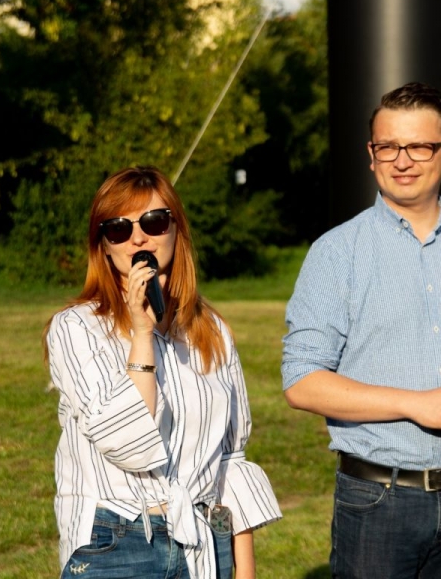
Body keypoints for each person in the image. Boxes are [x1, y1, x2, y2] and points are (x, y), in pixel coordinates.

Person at [281, 82, 441, 578]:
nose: (402, 161)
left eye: (419, 146)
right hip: (379, 501)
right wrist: (415, 404)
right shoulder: (336, 253)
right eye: (388, 147)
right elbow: (302, 382)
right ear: (371, 155)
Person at [45, 166, 281, 579]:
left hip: (204, 542)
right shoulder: (76, 328)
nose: (138, 238)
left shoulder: (211, 332)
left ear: (176, 230)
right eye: (119, 229)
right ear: (104, 247)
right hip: (117, 540)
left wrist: (244, 571)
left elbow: (231, 460)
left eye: (153, 222)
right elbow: (129, 441)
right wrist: (142, 333)